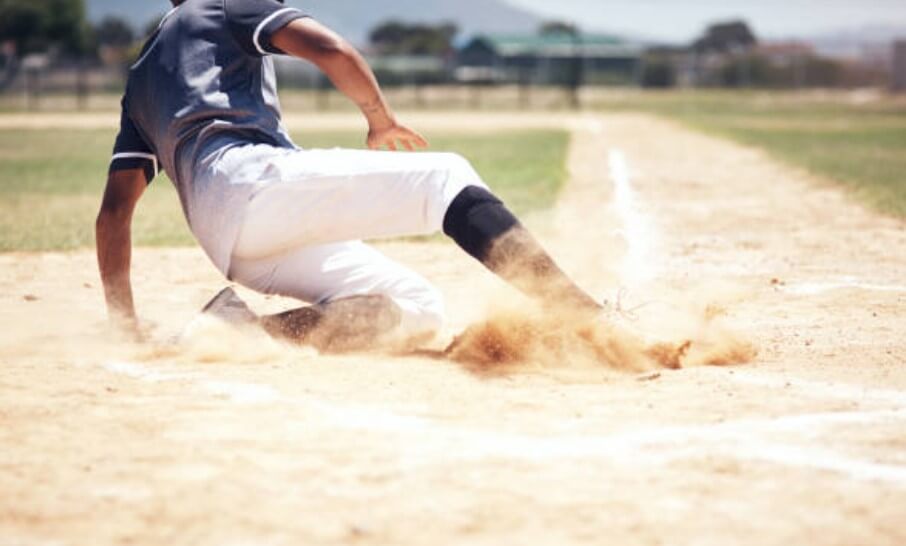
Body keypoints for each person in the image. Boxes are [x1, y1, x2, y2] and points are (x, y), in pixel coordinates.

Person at [96, 0, 600, 352]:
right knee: (445, 176)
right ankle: (581, 315)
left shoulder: (141, 77)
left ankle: (234, 332)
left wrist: (124, 322)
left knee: (418, 306)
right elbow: (330, 49)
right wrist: (379, 118)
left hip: (230, 242)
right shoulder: (224, 4)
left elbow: (115, 213)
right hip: (251, 186)